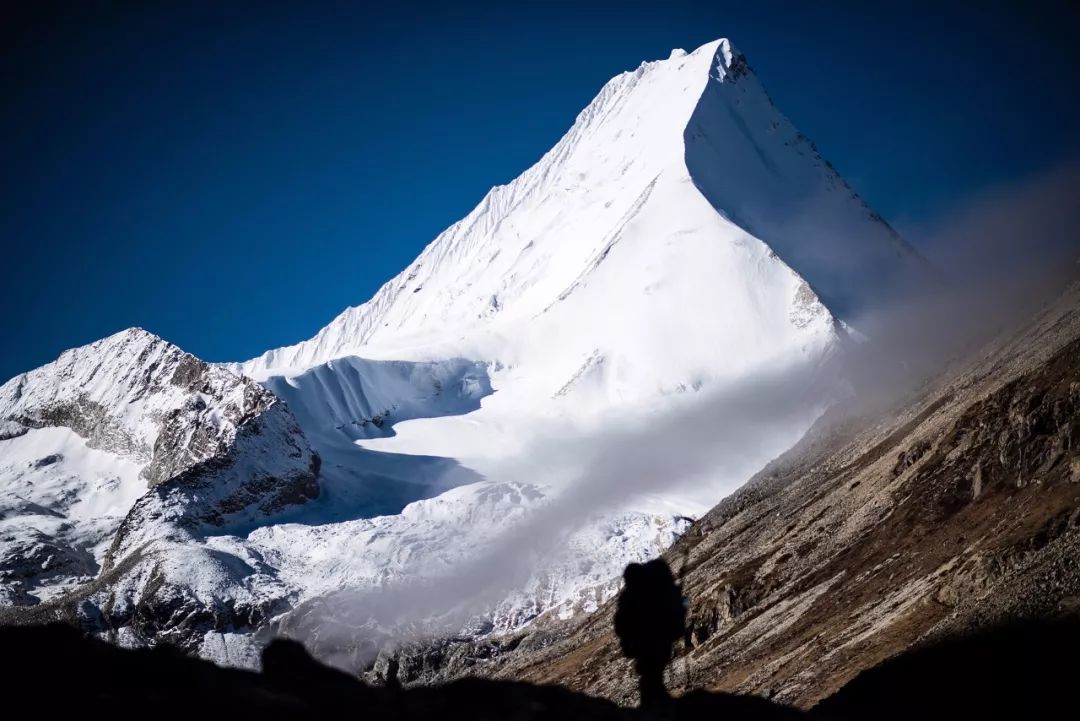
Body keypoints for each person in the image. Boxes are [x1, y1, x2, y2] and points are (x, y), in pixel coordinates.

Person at [613, 558, 687, 707]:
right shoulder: (656, 592)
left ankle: (651, 704)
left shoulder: (629, 597)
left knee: (649, 673)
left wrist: (628, 642)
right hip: (660, 639)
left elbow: (621, 623)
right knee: (655, 671)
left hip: (642, 643)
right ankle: (656, 701)